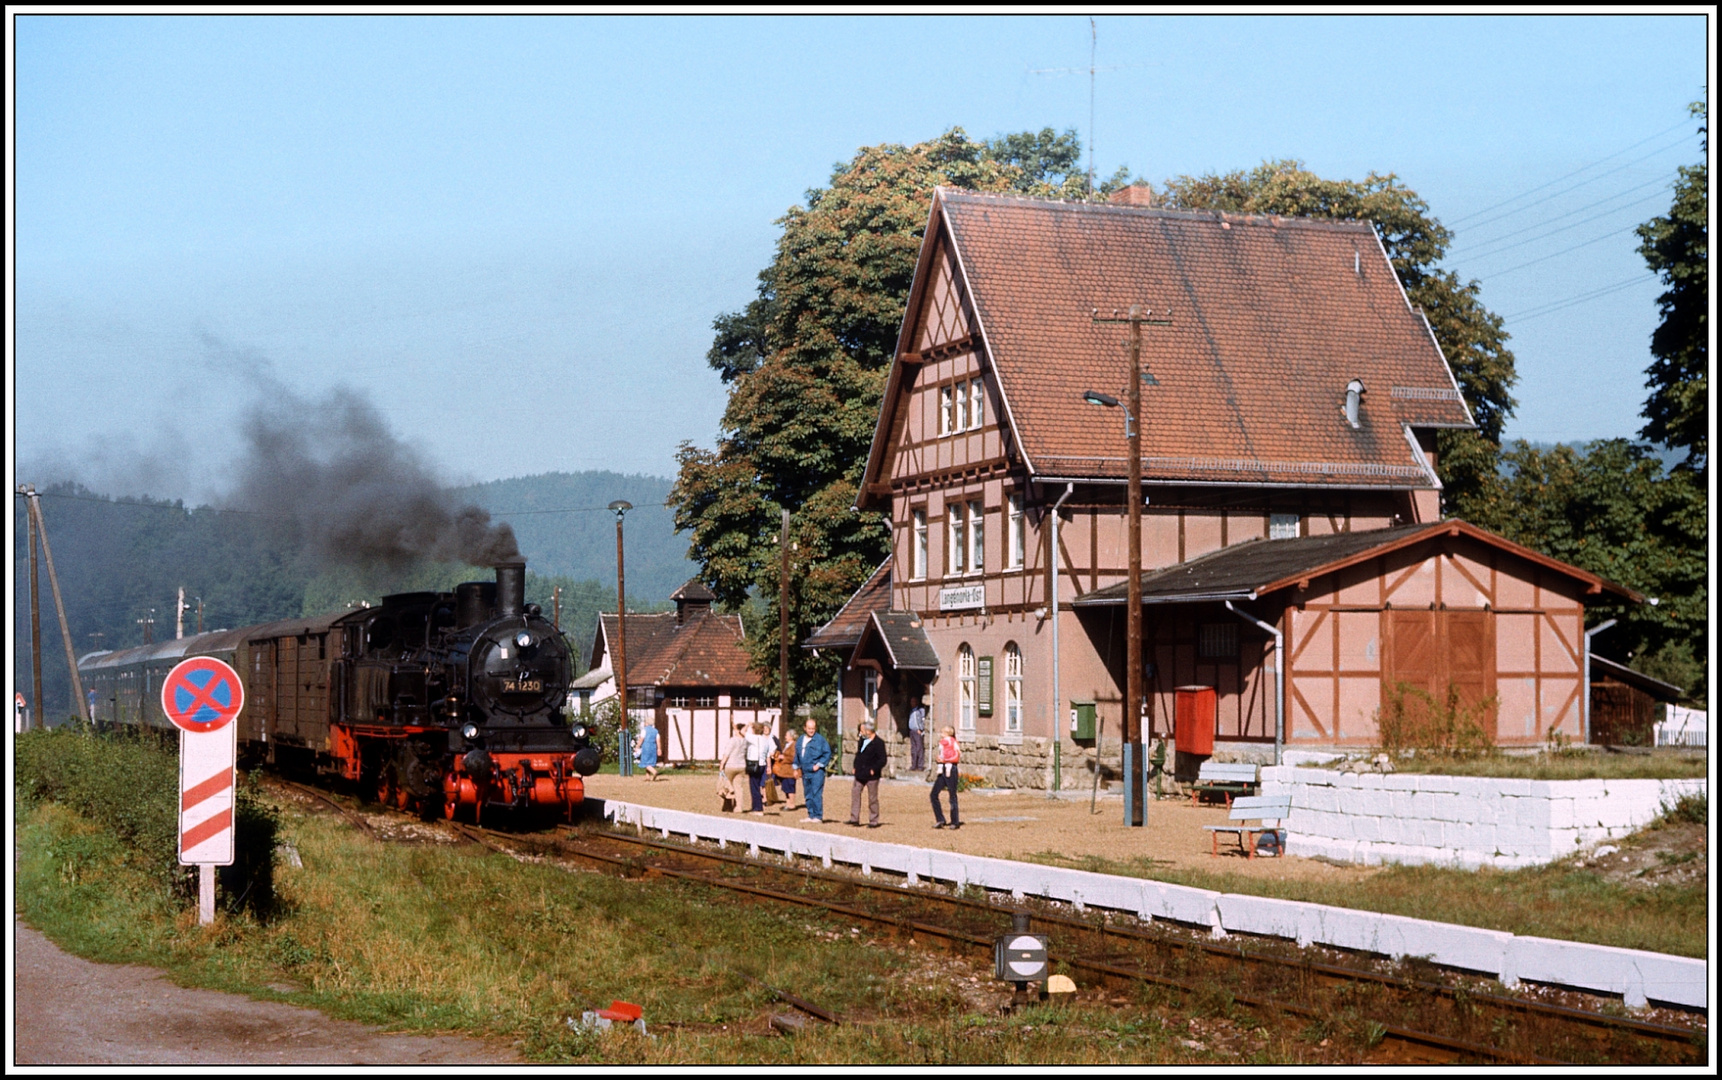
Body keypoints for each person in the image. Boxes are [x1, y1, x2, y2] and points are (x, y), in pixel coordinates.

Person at [846, 720, 887, 827]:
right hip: (860, 773)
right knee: (855, 794)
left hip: (872, 776)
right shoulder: (862, 740)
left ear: (870, 731)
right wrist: (855, 766)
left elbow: (882, 760)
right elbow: (858, 755)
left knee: (872, 798)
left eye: (864, 730)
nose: (862, 732)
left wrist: (874, 769)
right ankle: (854, 818)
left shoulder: (879, 743)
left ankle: (873, 820)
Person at [794, 717, 832, 823]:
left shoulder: (820, 740)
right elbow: (797, 755)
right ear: (805, 728)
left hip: (816, 772)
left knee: (816, 793)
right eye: (809, 728)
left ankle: (818, 816)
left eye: (813, 728)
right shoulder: (801, 739)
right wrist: (795, 768)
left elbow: (827, 753)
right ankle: (810, 815)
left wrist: (819, 765)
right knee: (808, 794)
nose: (811, 730)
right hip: (805, 771)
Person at [931, 724, 961, 829]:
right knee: (933, 794)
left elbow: (956, 757)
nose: (941, 735)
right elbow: (941, 754)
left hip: (951, 769)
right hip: (942, 769)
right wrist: (939, 759)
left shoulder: (953, 743)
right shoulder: (942, 744)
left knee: (952, 796)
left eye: (943, 732)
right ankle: (940, 819)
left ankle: (955, 821)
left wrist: (946, 760)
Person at [743, 719, 777, 813]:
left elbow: (742, 732)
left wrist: (748, 725)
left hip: (754, 764)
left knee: (754, 787)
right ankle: (757, 807)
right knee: (757, 785)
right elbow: (767, 755)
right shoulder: (765, 740)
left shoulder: (754, 738)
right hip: (762, 765)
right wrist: (769, 767)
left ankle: (757, 808)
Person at [717, 721, 748, 813]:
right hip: (742, 765)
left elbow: (727, 753)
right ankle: (739, 807)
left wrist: (722, 764)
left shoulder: (733, 740)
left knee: (726, 786)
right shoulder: (745, 741)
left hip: (731, 765)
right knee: (738, 787)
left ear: (737, 731)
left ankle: (727, 806)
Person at [771, 738, 799, 813]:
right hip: (784, 771)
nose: (785, 737)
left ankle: (792, 804)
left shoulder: (794, 745)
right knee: (786, 787)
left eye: (787, 735)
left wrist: (783, 758)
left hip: (790, 770)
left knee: (790, 787)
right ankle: (788, 803)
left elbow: (793, 758)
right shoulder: (787, 745)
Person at [907, 696, 928, 772]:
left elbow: (921, 720)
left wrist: (920, 729)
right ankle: (914, 765)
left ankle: (920, 765)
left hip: (917, 731)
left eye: (913, 702)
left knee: (919, 748)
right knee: (913, 749)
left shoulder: (919, 711)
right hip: (912, 731)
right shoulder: (911, 711)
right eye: (911, 702)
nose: (911, 703)